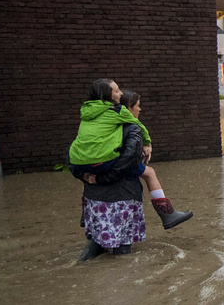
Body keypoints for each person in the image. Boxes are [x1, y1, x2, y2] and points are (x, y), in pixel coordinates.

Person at [68, 79, 193, 261]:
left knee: (96, 244)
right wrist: (105, 177)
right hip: (121, 199)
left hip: (94, 201)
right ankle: (167, 214)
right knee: (122, 253)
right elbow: (128, 160)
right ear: (128, 108)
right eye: (138, 106)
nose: (140, 110)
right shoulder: (130, 126)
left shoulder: (91, 121)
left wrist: (83, 175)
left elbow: (74, 154)